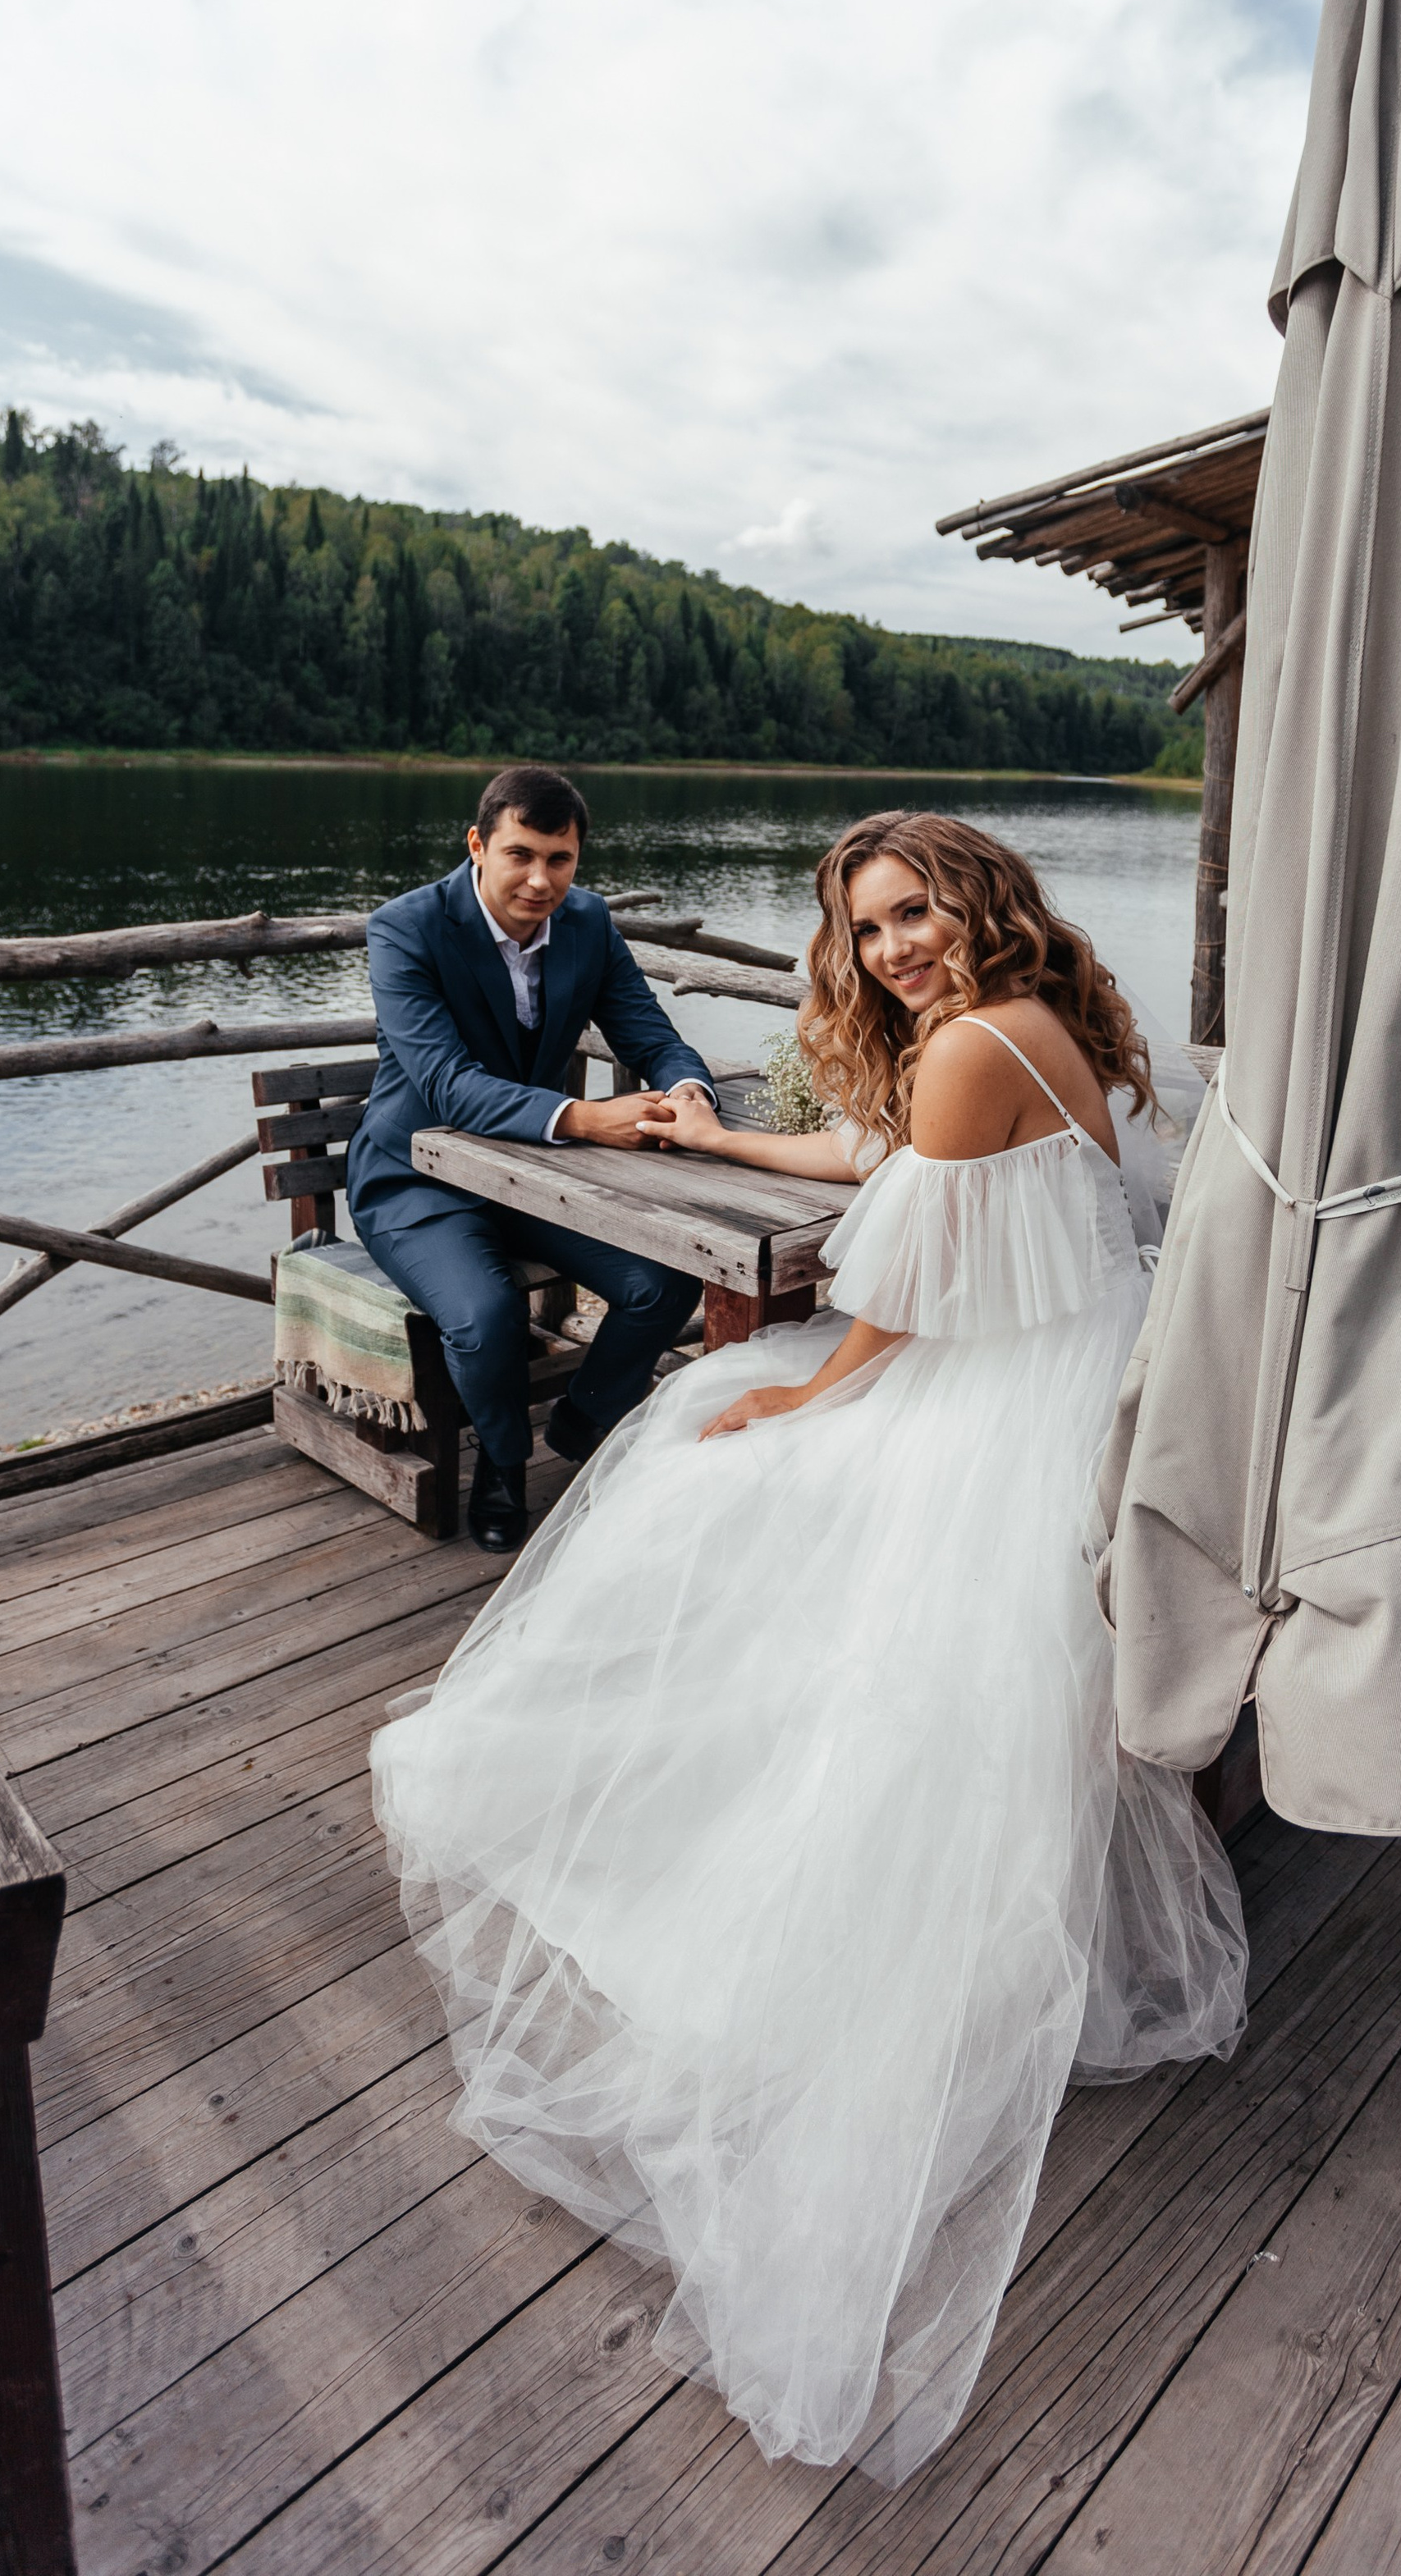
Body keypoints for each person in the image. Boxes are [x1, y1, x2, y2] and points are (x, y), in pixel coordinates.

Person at [370, 811, 1248, 2482]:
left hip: (1001, 1395)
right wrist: (713, 1135)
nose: (892, 945)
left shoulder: (976, 1043)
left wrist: (794, 1393)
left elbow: (893, 1302)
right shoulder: (1024, 1023)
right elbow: (878, 1166)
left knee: (722, 1465)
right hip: (1076, 1361)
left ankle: (730, 1848)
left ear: (975, 902)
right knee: (750, 1478)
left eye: (914, 911)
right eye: (867, 927)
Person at [346, 764, 718, 1549]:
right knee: (487, 1316)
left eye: (560, 859)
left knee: (667, 1279)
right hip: (418, 1180)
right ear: (478, 844)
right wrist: (584, 1117)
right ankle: (503, 1464)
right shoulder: (405, 929)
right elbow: (445, 1085)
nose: (541, 880)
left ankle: (582, 1426)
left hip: (540, 1181)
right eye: (520, 855)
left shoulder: (588, 923)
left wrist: (688, 1090)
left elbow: (647, 1032)